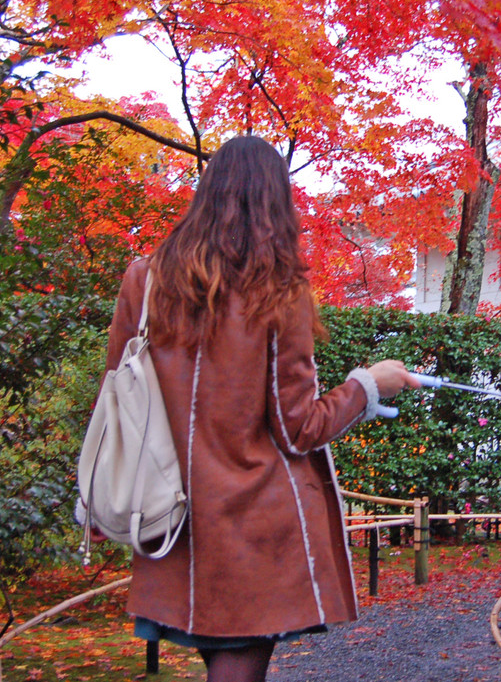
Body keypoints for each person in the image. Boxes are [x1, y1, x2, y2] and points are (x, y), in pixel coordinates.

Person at [99, 135, 417, 682]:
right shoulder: (278, 294)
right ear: (276, 204)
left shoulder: (144, 281)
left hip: (167, 513)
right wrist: (368, 386)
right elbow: (299, 430)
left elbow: (114, 398)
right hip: (250, 525)